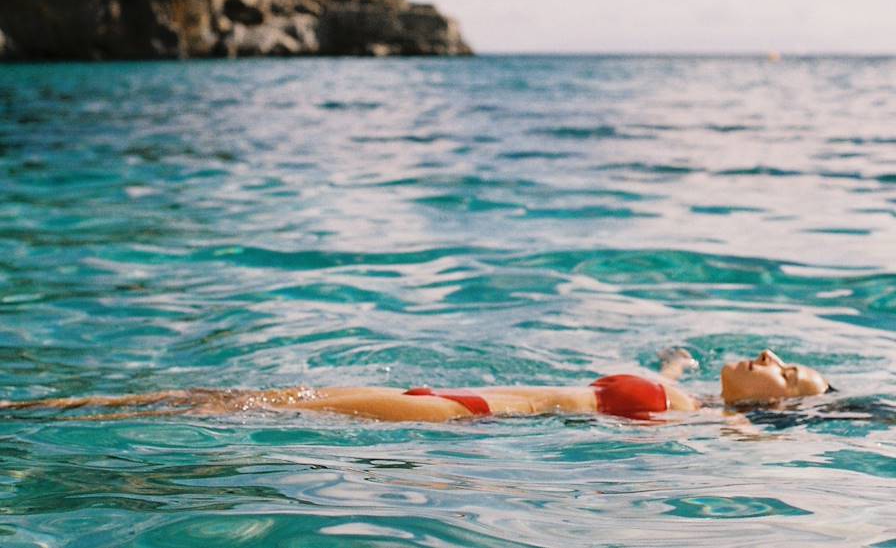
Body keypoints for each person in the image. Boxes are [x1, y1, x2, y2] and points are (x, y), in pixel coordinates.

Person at [0, 349, 830, 422]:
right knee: (242, 401)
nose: (769, 355)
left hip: (454, 416)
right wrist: (675, 364)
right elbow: (664, 376)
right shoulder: (688, 399)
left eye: (787, 372)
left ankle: (23, 409)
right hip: (443, 396)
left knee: (238, 406)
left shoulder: (722, 434)